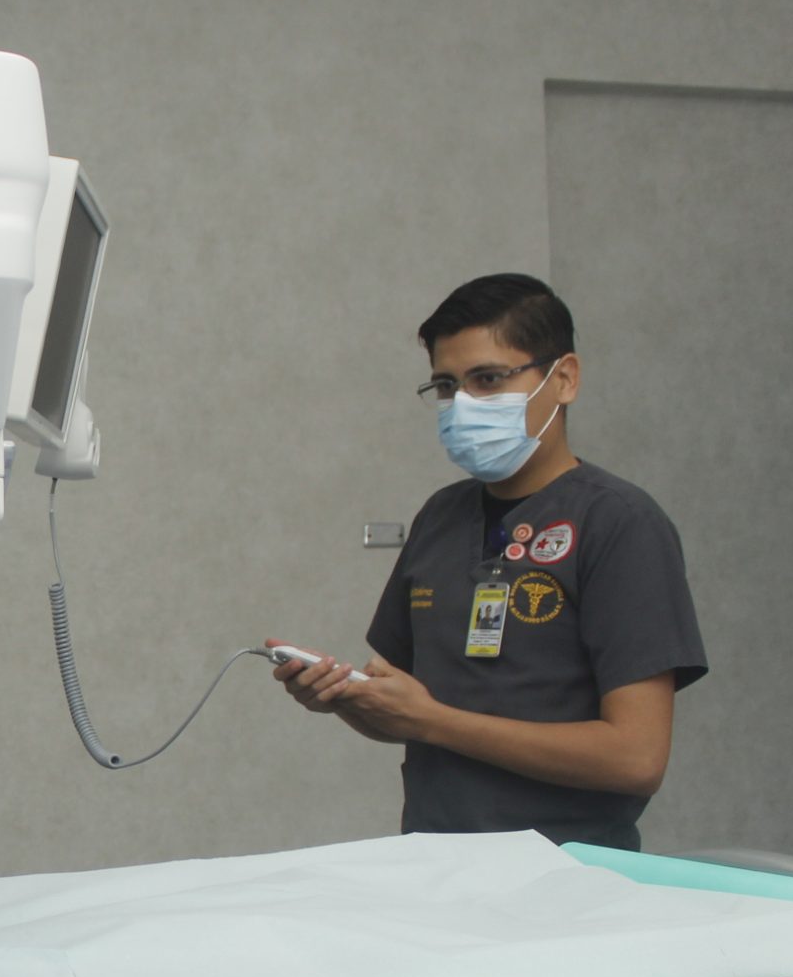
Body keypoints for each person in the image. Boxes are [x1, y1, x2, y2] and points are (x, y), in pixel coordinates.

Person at [270, 274, 706, 850]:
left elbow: (636, 759)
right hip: (436, 860)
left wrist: (433, 721)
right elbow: (408, 713)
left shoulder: (619, 524)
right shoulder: (441, 517)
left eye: (489, 379)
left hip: (564, 871)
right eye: (446, 386)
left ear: (564, 378)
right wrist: (344, 699)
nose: (464, 404)